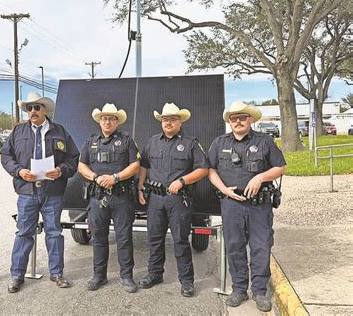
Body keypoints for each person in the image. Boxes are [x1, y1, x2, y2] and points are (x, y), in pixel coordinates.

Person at [207, 101, 286, 312]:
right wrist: (223, 189)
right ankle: (239, 288)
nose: (238, 121)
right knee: (234, 246)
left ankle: (259, 291)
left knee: (261, 246)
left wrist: (261, 177)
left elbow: (280, 167)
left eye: (243, 117)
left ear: (250, 119)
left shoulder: (264, 141)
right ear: (230, 121)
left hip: (259, 206)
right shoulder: (219, 142)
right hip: (231, 204)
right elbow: (210, 170)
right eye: (234, 118)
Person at [1, 92, 79, 293]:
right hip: (27, 192)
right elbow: (6, 156)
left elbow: (73, 158)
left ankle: (57, 273)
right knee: (24, 233)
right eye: (29, 108)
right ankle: (17, 275)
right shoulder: (18, 132)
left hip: (52, 192)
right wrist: (19, 171)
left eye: (37, 107)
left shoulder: (60, 131)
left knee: (54, 233)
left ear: (45, 110)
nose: (33, 111)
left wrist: (61, 170)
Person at [137, 103, 209, 297]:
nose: (168, 123)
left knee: (180, 241)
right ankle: (155, 274)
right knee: (154, 239)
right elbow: (143, 165)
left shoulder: (191, 143)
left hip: (178, 199)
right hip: (155, 199)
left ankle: (186, 281)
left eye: (172, 119)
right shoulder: (152, 142)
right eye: (165, 119)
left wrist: (182, 180)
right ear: (161, 122)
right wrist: (140, 187)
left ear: (180, 121)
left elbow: (203, 169)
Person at [78, 103, 140, 293]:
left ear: (117, 122)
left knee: (124, 238)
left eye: (111, 119)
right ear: (99, 121)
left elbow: (136, 165)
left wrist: (115, 178)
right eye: (104, 118)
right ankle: (99, 276)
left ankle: (127, 276)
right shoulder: (90, 142)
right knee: (98, 238)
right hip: (97, 198)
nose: (107, 121)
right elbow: (81, 166)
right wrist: (96, 177)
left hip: (121, 198)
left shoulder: (127, 141)